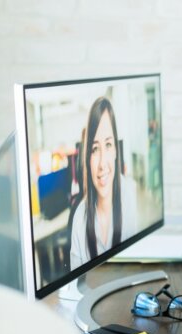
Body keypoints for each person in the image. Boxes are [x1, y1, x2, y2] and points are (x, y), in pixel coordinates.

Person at [70, 97, 138, 270]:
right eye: (94, 149)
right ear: (87, 157)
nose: (102, 164)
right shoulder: (79, 220)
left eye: (108, 145)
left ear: (116, 150)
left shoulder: (128, 193)